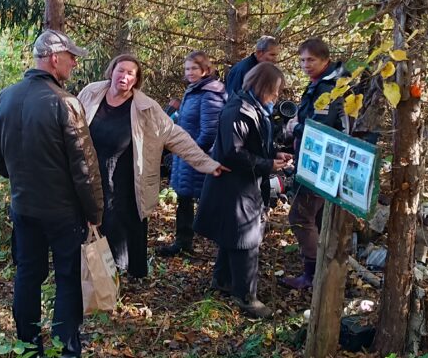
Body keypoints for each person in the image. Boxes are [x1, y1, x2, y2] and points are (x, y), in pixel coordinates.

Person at [0, 29, 103, 357]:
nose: (75, 63)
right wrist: (95, 213)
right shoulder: (66, 103)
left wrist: (20, 176)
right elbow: (85, 168)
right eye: (71, 57)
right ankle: (66, 350)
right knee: (67, 278)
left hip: (24, 206)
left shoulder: (2, 98)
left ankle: (28, 347)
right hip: (62, 212)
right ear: (54, 59)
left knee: (28, 275)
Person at [77, 54, 227, 279]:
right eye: (121, 70)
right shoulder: (91, 94)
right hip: (92, 176)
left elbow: (175, 136)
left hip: (127, 181)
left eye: (131, 73)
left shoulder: (145, 107)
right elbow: (71, 126)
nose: (125, 76)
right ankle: (94, 277)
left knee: (122, 230)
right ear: (112, 71)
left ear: (136, 80)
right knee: (92, 225)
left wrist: (207, 164)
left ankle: (114, 279)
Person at [194, 62, 292, 318]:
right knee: (247, 239)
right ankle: (247, 297)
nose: (277, 96)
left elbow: (255, 143)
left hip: (244, 183)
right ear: (264, 87)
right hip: (233, 185)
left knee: (234, 234)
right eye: (275, 90)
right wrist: (268, 164)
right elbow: (232, 153)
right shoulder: (238, 110)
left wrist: (273, 154)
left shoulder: (255, 109)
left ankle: (223, 280)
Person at [281, 37, 349, 290]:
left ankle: (312, 275)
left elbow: (321, 129)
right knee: (317, 217)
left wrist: (295, 126)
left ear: (325, 60)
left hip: (322, 164)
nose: (305, 65)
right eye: (302, 60)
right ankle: (321, 270)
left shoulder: (329, 88)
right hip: (316, 161)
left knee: (300, 216)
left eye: (311, 60)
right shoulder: (320, 83)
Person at [158, 51, 227, 257]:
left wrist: (193, 155)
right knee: (184, 199)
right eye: (187, 69)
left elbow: (210, 131)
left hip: (200, 155)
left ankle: (221, 248)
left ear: (206, 69)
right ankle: (183, 242)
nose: (190, 72)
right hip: (186, 153)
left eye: (194, 68)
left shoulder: (210, 93)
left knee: (208, 202)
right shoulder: (194, 90)